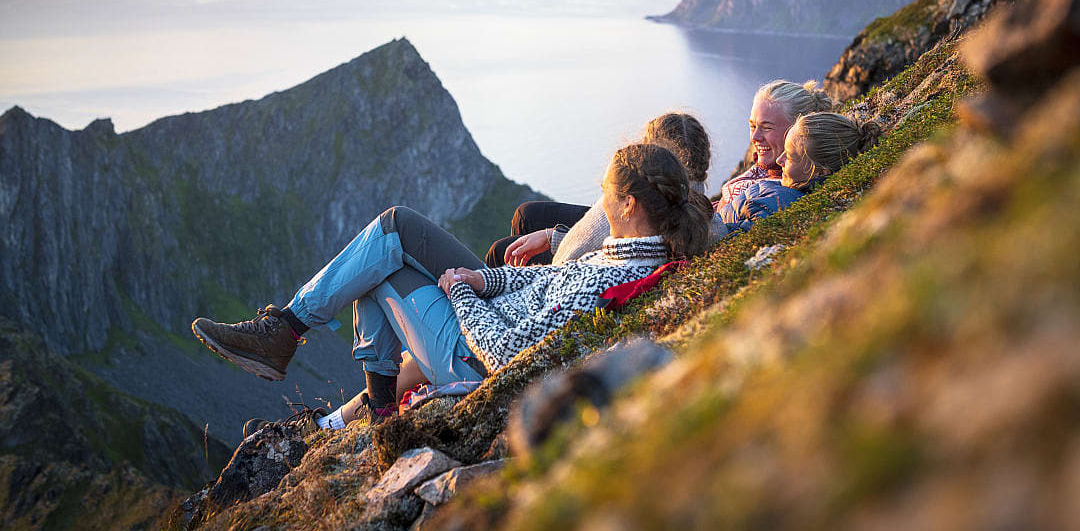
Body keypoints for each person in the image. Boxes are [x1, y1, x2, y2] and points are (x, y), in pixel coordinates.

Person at [192, 142, 712, 430]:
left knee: (383, 253)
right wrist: (481, 277)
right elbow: (546, 280)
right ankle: (349, 385)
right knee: (387, 242)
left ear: (629, 205)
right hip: (489, 318)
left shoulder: (613, 273)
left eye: (605, 194)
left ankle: (293, 339)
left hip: (476, 359)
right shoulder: (629, 256)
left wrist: (461, 294)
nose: (599, 201)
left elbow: (507, 352)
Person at [488, 112, 717, 268]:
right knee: (527, 214)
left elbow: (571, 257)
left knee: (503, 249)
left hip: (583, 261)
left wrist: (552, 239)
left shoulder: (635, 204)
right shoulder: (699, 210)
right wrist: (551, 235)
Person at [717, 112, 882, 235]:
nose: (779, 160)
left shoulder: (777, 204)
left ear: (820, 171)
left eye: (789, 156)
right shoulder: (789, 188)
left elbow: (725, 241)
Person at [718, 79, 834, 207]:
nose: (755, 137)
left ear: (799, 130)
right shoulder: (765, 172)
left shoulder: (781, 191)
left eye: (767, 128)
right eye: (752, 126)